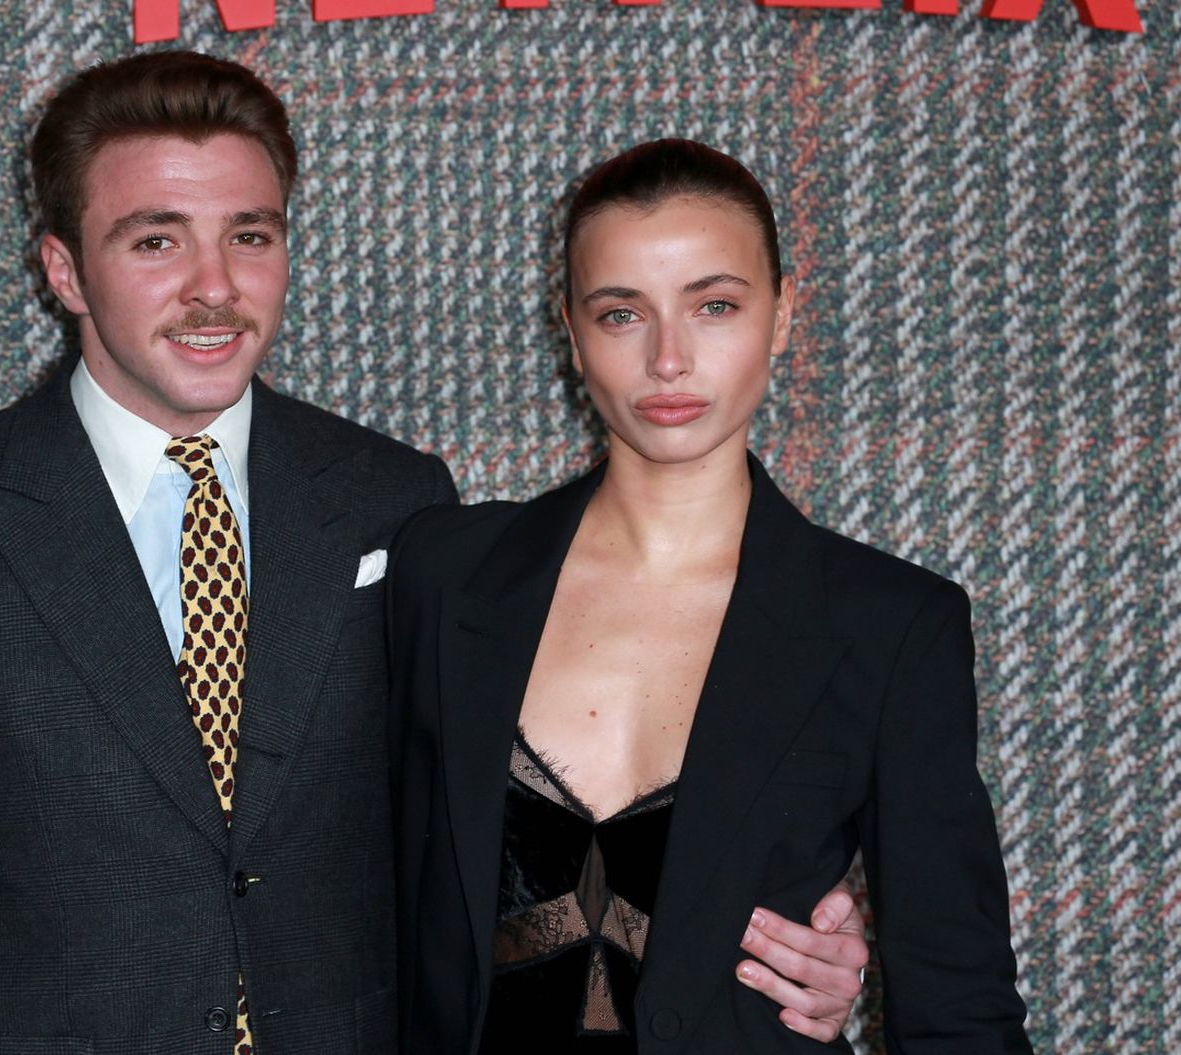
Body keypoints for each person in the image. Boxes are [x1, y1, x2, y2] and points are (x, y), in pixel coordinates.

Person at [0, 53, 870, 1054]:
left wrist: (782, 941)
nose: (215, 286)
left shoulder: (399, 504)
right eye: (157, 240)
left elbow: (508, 831)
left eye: (250, 235)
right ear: (63, 270)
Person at [387, 139, 1033, 1053]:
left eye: (715, 305)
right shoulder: (442, 571)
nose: (669, 359)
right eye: (622, 314)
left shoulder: (890, 626)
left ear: (782, 314)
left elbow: (958, 1002)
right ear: (571, 332)